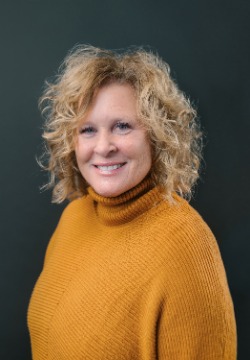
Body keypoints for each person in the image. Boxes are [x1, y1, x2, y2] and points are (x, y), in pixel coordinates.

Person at [28, 45, 237, 359]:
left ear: (156, 135)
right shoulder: (75, 217)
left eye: (122, 126)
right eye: (87, 130)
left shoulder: (187, 245)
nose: (103, 146)